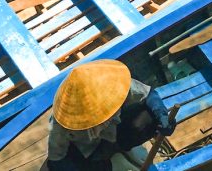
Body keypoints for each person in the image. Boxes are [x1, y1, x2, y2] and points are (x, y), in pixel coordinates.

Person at [46, 59, 174, 171]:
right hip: (89, 155)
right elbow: (57, 161)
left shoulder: (111, 85)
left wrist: (162, 116)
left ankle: (119, 148)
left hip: (115, 136)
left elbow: (149, 95)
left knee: (149, 117)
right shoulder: (61, 125)